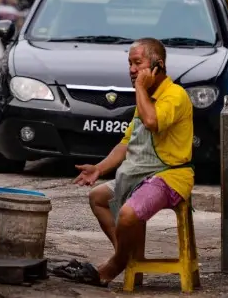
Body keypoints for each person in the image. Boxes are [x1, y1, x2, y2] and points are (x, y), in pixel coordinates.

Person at [54, 38, 194, 286]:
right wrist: (99, 168)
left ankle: (115, 265)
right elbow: (126, 143)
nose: (131, 70)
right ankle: (128, 259)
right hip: (140, 175)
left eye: (137, 63)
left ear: (157, 66)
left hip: (169, 176)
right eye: (129, 63)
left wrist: (140, 89)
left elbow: (152, 122)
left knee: (129, 214)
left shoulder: (175, 95)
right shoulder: (145, 98)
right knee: (98, 197)